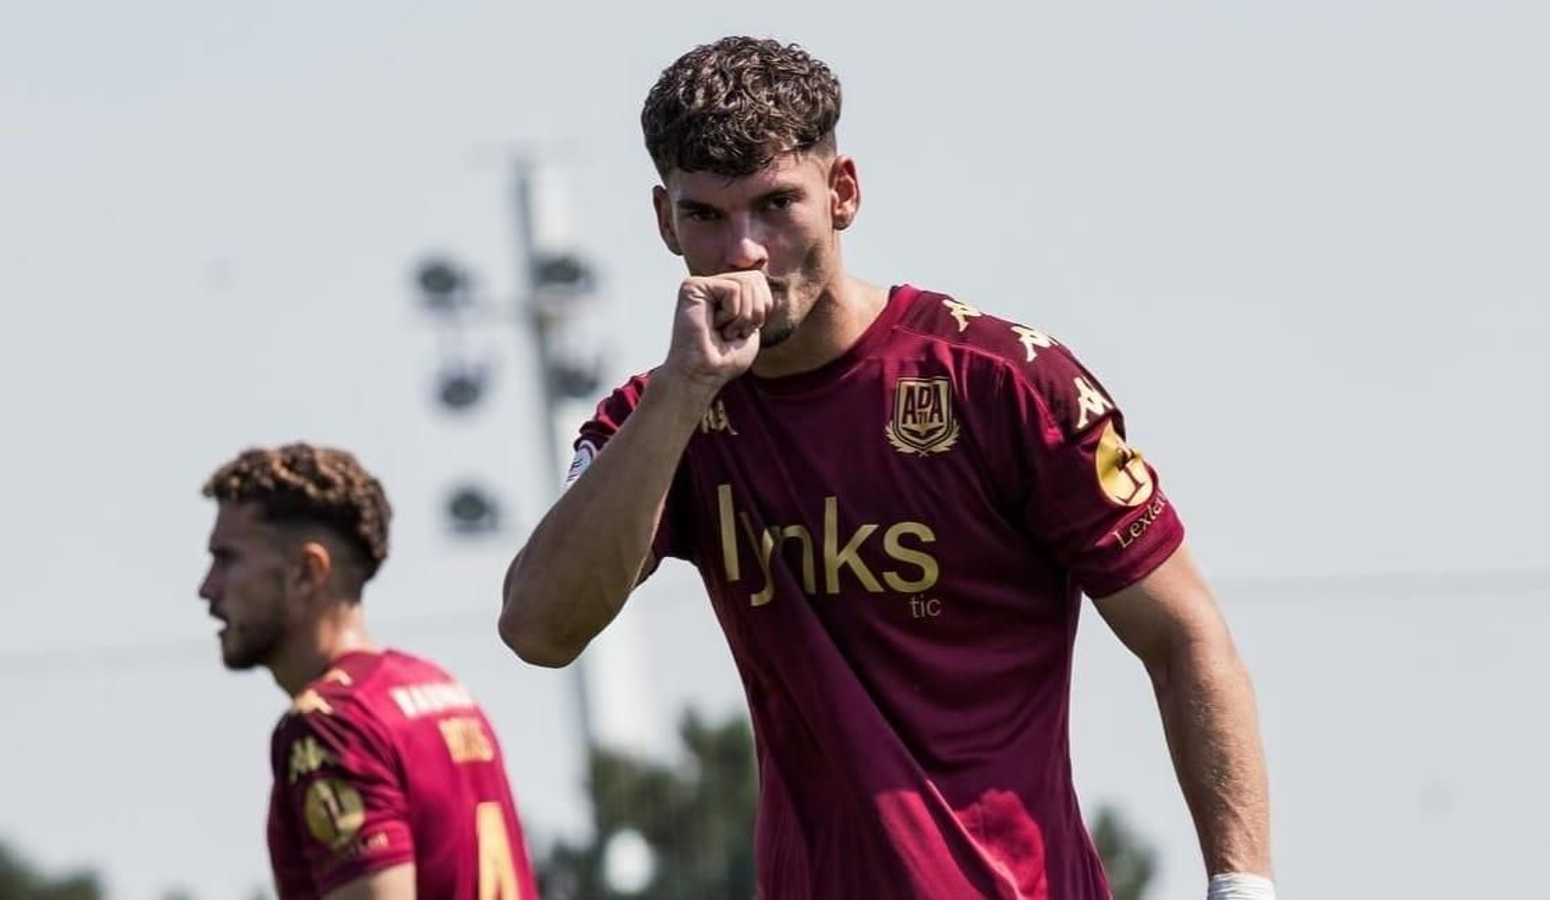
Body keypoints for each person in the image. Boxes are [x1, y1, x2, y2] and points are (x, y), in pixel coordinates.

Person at [499, 35, 1273, 900]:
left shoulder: (1002, 381)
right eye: (705, 217)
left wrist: (1241, 887)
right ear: (662, 220)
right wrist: (682, 392)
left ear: (844, 193)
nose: (744, 252)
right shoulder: (661, 419)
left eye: (776, 205)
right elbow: (539, 629)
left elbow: (1186, 636)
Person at [200, 443, 539, 900]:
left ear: (306, 571)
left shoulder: (330, 725)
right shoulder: (439, 688)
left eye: (227, 559)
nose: (207, 588)